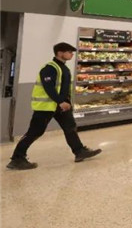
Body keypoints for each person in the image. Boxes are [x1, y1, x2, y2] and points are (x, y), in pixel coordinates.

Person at [7, 42, 101, 170]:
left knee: (70, 127)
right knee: (35, 132)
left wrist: (66, 102)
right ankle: (17, 158)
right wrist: (60, 101)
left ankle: (79, 151)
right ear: (60, 53)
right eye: (69, 52)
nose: (72, 54)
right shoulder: (50, 68)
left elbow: (63, 88)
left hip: (60, 106)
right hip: (46, 106)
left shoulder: (64, 68)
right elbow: (48, 87)